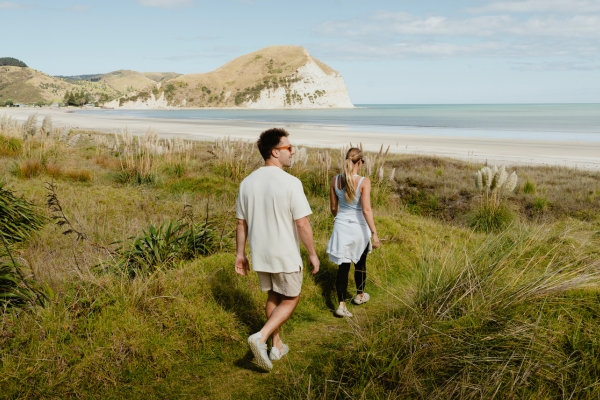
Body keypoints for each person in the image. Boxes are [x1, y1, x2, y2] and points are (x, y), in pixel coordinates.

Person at [235, 128, 320, 371]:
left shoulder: (246, 182)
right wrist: (313, 254)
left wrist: (240, 255)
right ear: (275, 152)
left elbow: (241, 223)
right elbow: (302, 223)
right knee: (291, 298)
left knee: (274, 296)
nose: (293, 152)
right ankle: (260, 338)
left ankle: (277, 344)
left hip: (261, 253)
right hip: (284, 253)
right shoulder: (291, 182)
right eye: (288, 148)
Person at [326, 147, 380, 317]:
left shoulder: (335, 180)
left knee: (343, 267)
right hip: (359, 228)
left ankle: (341, 305)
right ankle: (360, 295)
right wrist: (374, 233)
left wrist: (339, 217)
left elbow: (334, 207)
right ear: (359, 162)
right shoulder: (364, 181)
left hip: (341, 226)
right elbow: (366, 210)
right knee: (360, 263)